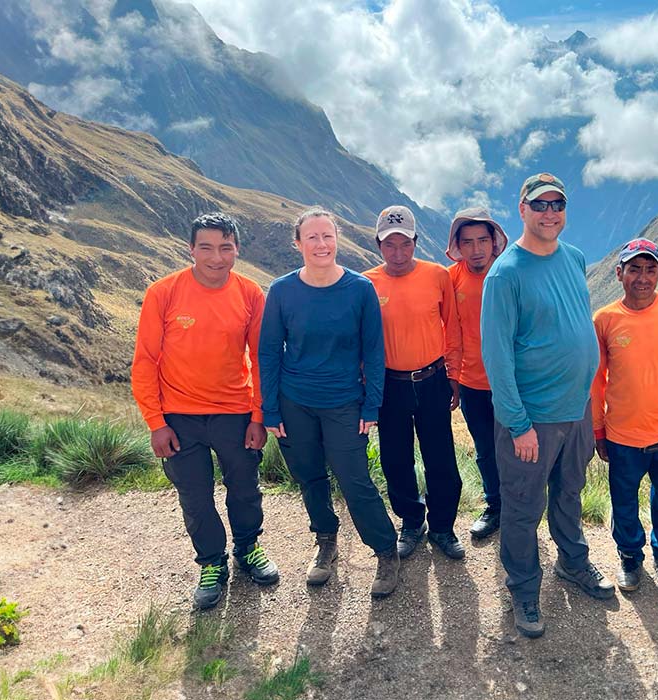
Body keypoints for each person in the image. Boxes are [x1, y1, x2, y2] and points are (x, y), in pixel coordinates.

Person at [482, 172, 614, 639]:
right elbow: (497, 358)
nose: (550, 212)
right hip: (532, 418)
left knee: (569, 493)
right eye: (540, 204)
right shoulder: (505, 274)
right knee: (521, 506)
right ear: (522, 210)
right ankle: (522, 586)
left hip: (575, 410)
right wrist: (518, 425)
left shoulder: (573, 258)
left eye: (558, 203)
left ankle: (572, 563)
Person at [132, 212, 279, 610]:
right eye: (207, 248)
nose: (216, 257)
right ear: (191, 249)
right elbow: (145, 360)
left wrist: (258, 415)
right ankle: (211, 563)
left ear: (236, 249)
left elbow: (261, 358)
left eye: (226, 248)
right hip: (179, 417)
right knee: (195, 498)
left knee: (245, 489)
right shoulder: (163, 293)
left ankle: (247, 549)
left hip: (234, 412)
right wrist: (156, 423)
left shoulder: (250, 294)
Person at [257, 207, 400, 598]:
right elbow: (268, 352)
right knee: (310, 478)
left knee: (356, 481)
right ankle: (325, 543)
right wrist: (270, 408)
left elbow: (374, 351)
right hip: (294, 403)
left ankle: (386, 551)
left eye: (327, 236)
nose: (321, 244)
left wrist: (371, 406)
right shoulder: (282, 290)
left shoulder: (359, 289)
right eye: (313, 237)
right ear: (298, 243)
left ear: (337, 240)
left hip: (344, 403)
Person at [590, 238, 658, 593]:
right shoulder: (604, 320)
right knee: (624, 499)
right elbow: (596, 380)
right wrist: (598, 428)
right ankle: (630, 556)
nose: (643, 277)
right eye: (635, 268)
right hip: (622, 431)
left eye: (651, 269)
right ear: (619, 272)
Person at [364, 205, 466, 559]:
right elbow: (363, 340)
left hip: (433, 378)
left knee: (440, 457)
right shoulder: (367, 283)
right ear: (378, 244)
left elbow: (452, 328)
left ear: (415, 242)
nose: (397, 252)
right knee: (395, 459)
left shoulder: (437, 276)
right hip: (390, 385)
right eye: (389, 245)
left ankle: (442, 526)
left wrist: (454, 375)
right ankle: (411, 521)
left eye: (404, 244)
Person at [446, 207, 509, 540]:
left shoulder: (511, 271)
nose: (476, 249)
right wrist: (453, 378)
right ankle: (494, 506)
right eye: (467, 242)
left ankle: (519, 510)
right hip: (473, 383)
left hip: (512, 382)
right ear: (458, 245)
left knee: (516, 447)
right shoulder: (452, 277)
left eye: (482, 240)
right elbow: (452, 332)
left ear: (494, 241)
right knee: (486, 449)